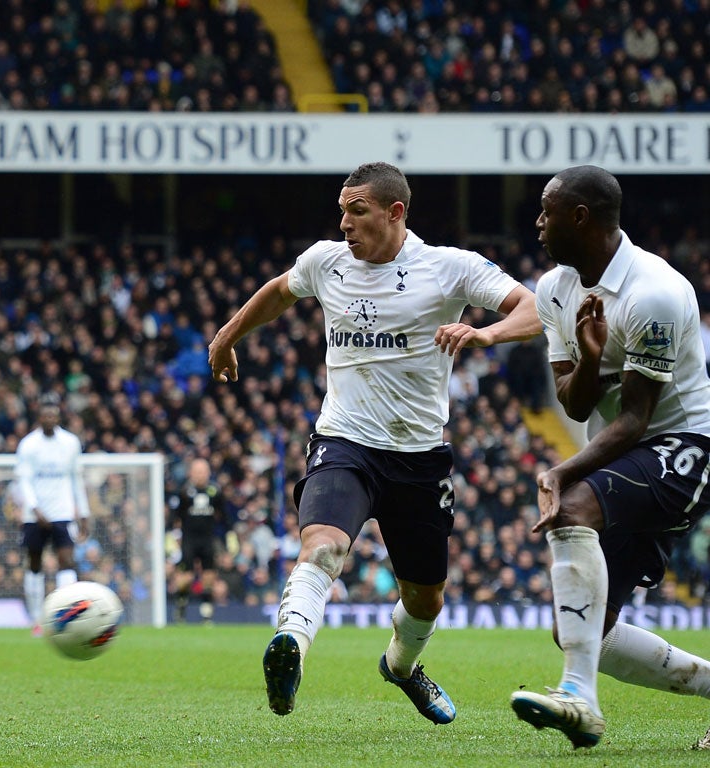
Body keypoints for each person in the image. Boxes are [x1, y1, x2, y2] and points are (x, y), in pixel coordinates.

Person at [208, 162, 541, 720]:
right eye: (341, 210)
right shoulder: (326, 262)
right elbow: (279, 291)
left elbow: (534, 309)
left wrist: (486, 331)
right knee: (323, 543)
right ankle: (291, 642)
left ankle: (402, 665)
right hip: (345, 442)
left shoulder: (448, 269)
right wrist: (227, 336)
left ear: (395, 213)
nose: (344, 223)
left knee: (425, 599)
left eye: (356, 211)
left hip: (418, 458)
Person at [509, 165, 710, 749]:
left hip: (685, 447)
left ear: (581, 218)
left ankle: (579, 699)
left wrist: (563, 470)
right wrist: (592, 358)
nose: (538, 223)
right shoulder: (554, 290)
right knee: (582, 627)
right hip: (627, 454)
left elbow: (636, 419)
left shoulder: (655, 292)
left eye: (548, 212)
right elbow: (574, 404)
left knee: (570, 507)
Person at [15, 392, 91, 634]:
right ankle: (36, 619)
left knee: (66, 560)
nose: (50, 418)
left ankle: (65, 616)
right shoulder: (28, 445)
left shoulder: (70, 443)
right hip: (35, 515)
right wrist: (35, 509)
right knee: (35, 563)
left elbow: (76, 478)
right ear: (39, 417)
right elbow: (23, 481)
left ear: (58, 417)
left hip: (62, 512)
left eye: (53, 415)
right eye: (46, 415)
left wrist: (84, 513)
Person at [168, 457, 226, 622]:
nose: (200, 475)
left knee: (208, 577)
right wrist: (174, 536)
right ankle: (181, 605)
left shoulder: (215, 491)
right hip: (189, 540)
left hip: (208, 539)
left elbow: (223, 517)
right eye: (197, 471)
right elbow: (176, 517)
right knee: (185, 578)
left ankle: (206, 615)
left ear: (208, 473)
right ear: (191, 474)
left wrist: (226, 537)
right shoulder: (184, 492)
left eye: (203, 471)